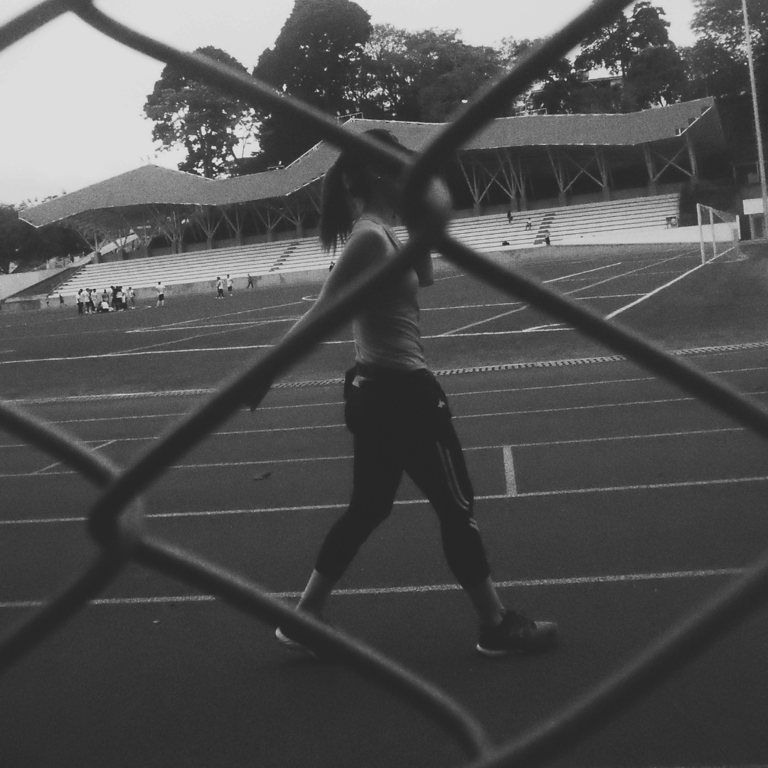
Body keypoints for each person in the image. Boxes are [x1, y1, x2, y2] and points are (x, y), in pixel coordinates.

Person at [266, 129, 557, 658]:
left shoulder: (386, 234)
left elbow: (425, 276)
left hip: (380, 391)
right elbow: (321, 311)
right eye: (403, 169)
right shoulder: (369, 239)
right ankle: (495, 624)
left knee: (369, 508)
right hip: (402, 394)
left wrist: (425, 211)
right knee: (456, 504)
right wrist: (265, 370)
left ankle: (303, 616)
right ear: (381, 176)